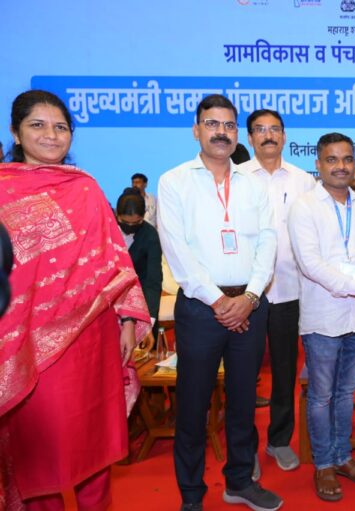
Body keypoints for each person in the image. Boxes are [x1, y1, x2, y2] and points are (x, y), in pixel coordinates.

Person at [0, 89, 150, 510]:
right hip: (24, 343)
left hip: (89, 336)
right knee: (38, 452)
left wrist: (126, 321)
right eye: (38, 125)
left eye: (61, 127)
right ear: (16, 132)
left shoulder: (84, 187)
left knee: (92, 443)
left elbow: (114, 260)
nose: (51, 135)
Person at [157, 94, 281, 511]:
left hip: (250, 304)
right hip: (200, 309)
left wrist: (249, 297)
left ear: (236, 133)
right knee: (194, 405)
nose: (221, 132)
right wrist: (219, 303)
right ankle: (192, 494)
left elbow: (268, 241)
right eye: (212, 124)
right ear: (197, 130)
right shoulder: (174, 181)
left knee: (244, 402)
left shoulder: (253, 183)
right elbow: (177, 251)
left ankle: (240, 481)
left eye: (228, 125)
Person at [287, 132, 355, 502]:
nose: (341, 166)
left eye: (347, 159)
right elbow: (311, 264)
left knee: (347, 393)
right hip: (323, 316)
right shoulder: (304, 207)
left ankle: (343, 457)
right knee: (321, 396)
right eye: (332, 159)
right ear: (318, 164)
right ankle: (323, 464)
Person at [238, 108, 315, 475]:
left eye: (274, 130)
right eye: (260, 130)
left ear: (284, 137)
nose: (268, 135)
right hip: (244, 295)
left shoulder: (304, 181)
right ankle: (245, 450)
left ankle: (279, 440)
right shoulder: (235, 178)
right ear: (249, 138)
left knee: (285, 372)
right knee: (243, 375)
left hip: (290, 290)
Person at [117, 188, 163, 340]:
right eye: (125, 222)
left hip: (141, 301)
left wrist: (149, 320)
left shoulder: (150, 235)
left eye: (136, 223)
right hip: (110, 302)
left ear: (143, 217)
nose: (130, 227)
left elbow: (153, 280)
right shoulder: (105, 230)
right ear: (117, 215)